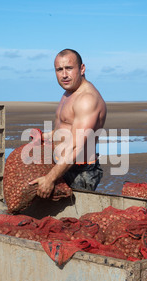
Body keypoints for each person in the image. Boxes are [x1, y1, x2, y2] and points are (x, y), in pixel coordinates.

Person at [29, 49, 107, 198]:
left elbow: (76, 147)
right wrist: (43, 136)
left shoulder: (87, 99)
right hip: (62, 166)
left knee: (73, 220)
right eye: (59, 69)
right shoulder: (69, 92)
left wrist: (50, 179)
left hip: (79, 172)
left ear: (82, 69)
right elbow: (64, 130)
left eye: (69, 68)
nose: (64, 75)